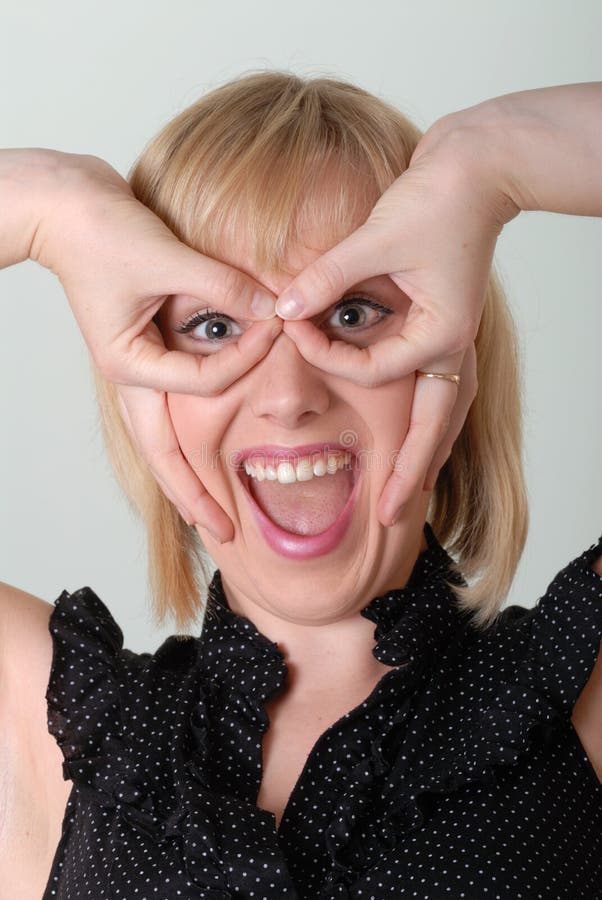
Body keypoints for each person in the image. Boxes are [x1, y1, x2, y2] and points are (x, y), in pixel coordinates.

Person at [0, 72, 601, 899]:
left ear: (454, 352)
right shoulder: (50, 732)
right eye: (213, 327)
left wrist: (489, 161)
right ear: (142, 380)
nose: (288, 395)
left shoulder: (577, 699)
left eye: (353, 312)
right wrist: (48, 207)